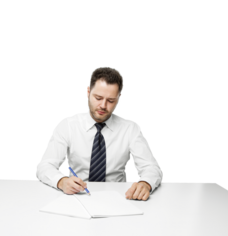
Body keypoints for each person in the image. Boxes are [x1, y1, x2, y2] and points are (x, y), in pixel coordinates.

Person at [35, 65, 163, 201]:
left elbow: (151, 167)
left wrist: (145, 183)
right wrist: (61, 181)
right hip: (76, 196)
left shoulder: (130, 128)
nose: (103, 105)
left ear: (119, 98)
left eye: (110, 100)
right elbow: (44, 166)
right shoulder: (67, 125)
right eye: (98, 97)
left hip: (118, 198)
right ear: (88, 92)